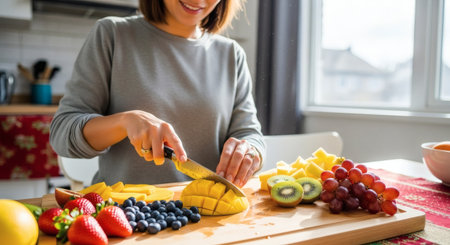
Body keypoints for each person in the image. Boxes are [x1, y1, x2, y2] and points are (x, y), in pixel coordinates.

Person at [50, 0, 265, 188]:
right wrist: (125, 122)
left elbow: (249, 134)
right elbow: (62, 132)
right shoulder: (111, 34)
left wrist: (249, 151)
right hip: (125, 215)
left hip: (205, 218)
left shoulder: (231, 54)